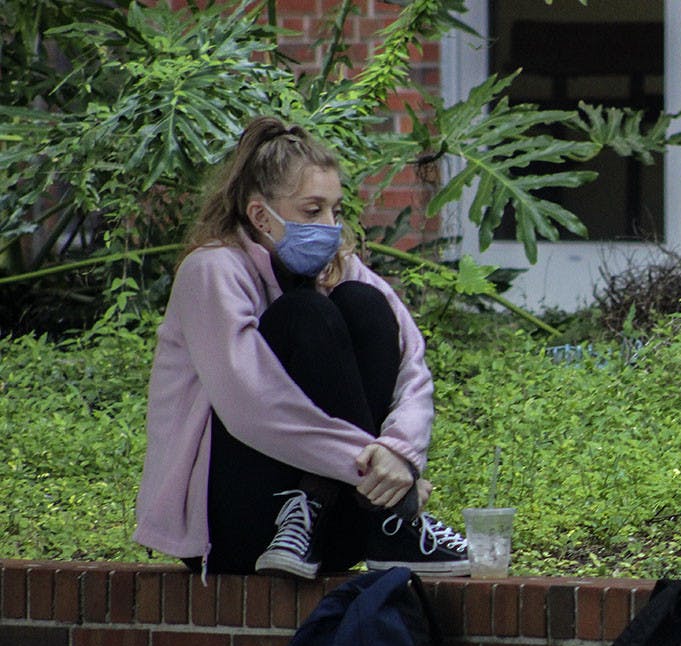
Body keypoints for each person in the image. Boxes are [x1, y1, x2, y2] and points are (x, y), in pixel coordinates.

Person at [134, 116, 469, 579]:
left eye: (335, 210)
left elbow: (412, 363)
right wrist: (377, 475)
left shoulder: (339, 268)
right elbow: (251, 405)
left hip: (328, 531)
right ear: (259, 215)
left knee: (365, 304)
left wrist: (399, 452)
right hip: (233, 532)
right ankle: (387, 515)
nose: (330, 226)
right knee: (304, 314)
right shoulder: (211, 272)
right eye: (313, 211)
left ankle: (368, 519)